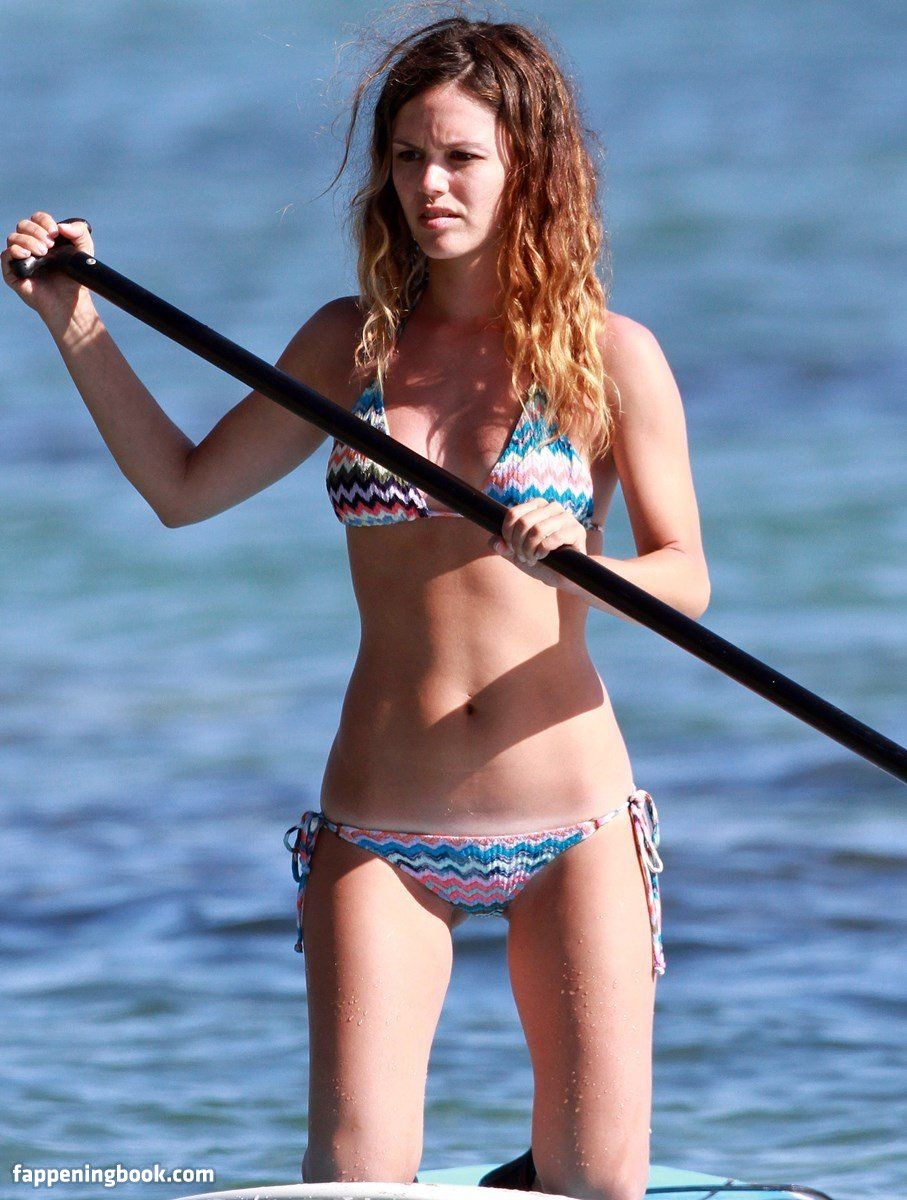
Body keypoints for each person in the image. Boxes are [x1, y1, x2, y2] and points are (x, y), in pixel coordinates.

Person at [3, 15, 709, 1200]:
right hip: (383, 827)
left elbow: (686, 575)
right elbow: (182, 489)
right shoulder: (350, 346)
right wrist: (73, 324)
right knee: (352, 1181)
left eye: (462, 158)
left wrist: (583, 569)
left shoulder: (607, 354)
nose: (430, 186)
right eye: (408, 157)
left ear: (528, 166)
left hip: (570, 821)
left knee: (598, 1185)